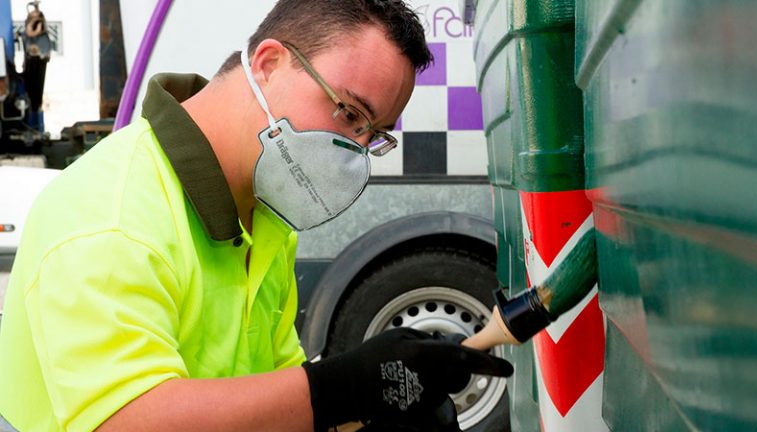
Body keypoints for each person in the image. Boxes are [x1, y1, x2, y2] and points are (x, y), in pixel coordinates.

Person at [0, 0, 513, 431]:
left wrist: (375, 406)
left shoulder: (264, 219)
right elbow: (128, 418)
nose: (353, 150)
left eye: (371, 135)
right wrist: (348, 387)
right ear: (269, 63)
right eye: (349, 113)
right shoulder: (113, 214)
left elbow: (274, 393)